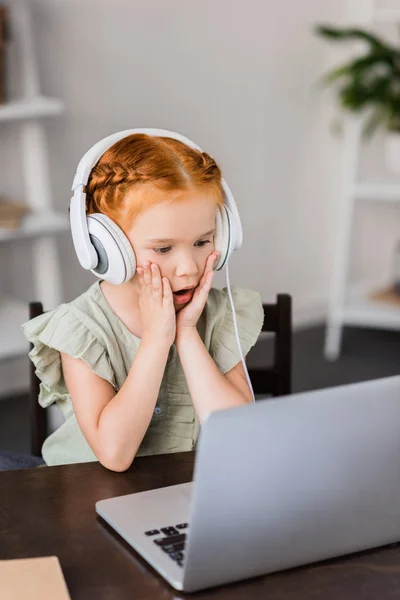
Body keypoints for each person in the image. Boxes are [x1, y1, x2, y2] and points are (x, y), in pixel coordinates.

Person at [22, 130, 264, 472]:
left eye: (203, 241)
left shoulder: (217, 313)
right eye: (163, 249)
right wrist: (155, 340)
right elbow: (114, 455)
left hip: (187, 492)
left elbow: (240, 435)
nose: (188, 268)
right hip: (90, 494)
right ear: (105, 247)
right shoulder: (81, 329)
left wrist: (187, 333)